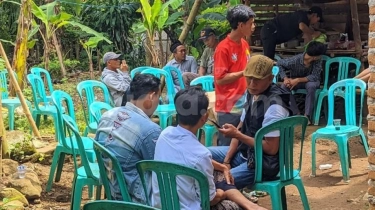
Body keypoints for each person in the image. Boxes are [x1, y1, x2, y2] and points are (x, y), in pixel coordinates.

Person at [153, 87, 267, 210]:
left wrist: (222, 166)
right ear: (204, 117)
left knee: (220, 176)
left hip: (160, 205)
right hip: (189, 207)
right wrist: (222, 194)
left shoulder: (165, 134)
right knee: (233, 205)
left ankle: (248, 204)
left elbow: (191, 158)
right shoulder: (201, 154)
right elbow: (211, 200)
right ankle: (249, 205)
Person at [208, 55, 294, 189]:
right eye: (249, 78)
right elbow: (240, 128)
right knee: (201, 154)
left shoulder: (274, 106)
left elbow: (271, 149)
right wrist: (227, 160)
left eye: (258, 80)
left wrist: (237, 135)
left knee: (216, 186)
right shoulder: (252, 93)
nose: (252, 83)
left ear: (270, 79)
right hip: (245, 153)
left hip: (263, 164)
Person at [95, 74, 162, 204]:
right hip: (135, 197)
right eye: (158, 98)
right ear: (151, 96)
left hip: (111, 189)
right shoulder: (150, 130)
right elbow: (160, 169)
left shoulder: (107, 115)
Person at [214, 4, 255, 146]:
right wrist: (244, 73)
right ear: (240, 25)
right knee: (226, 146)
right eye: (250, 23)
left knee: (242, 144)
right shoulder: (223, 48)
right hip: (228, 107)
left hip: (244, 102)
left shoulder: (244, 44)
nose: (253, 26)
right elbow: (219, 80)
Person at [277, 41, 326, 123]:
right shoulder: (295, 60)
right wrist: (285, 78)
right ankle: (296, 114)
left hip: (311, 82)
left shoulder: (318, 61)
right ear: (315, 57)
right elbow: (279, 63)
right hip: (296, 82)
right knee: (284, 87)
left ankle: (307, 116)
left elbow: (315, 76)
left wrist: (298, 80)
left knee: (311, 86)